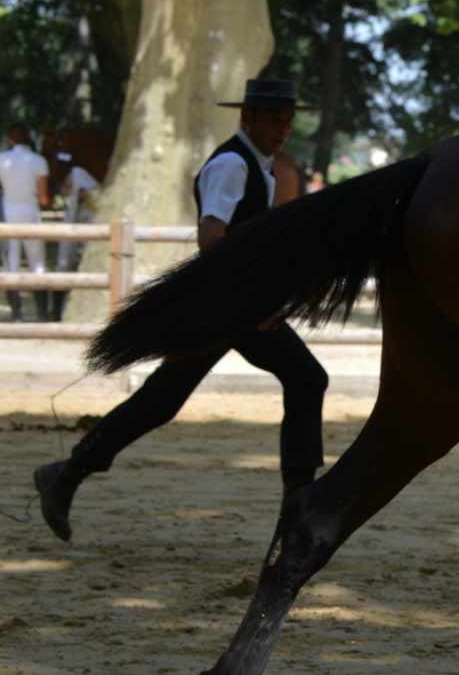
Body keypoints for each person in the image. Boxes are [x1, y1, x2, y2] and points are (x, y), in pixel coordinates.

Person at [32, 78, 330, 542]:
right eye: (274, 118)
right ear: (247, 117)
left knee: (163, 400)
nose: (283, 128)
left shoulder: (259, 166)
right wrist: (255, 298)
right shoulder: (232, 164)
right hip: (228, 305)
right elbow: (212, 237)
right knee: (305, 377)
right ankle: (300, 503)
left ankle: (67, 473)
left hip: (228, 304)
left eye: (288, 120)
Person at [0, 124, 53, 321]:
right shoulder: (38, 161)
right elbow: (43, 198)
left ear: (10, 140)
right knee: (36, 262)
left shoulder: (2, 159)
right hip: (30, 212)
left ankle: (16, 314)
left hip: (8, 212)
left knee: (11, 262)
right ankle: (41, 312)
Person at [48, 151, 100, 321]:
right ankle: (56, 313)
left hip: (85, 242)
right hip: (75, 242)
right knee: (63, 269)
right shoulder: (77, 195)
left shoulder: (84, 185)